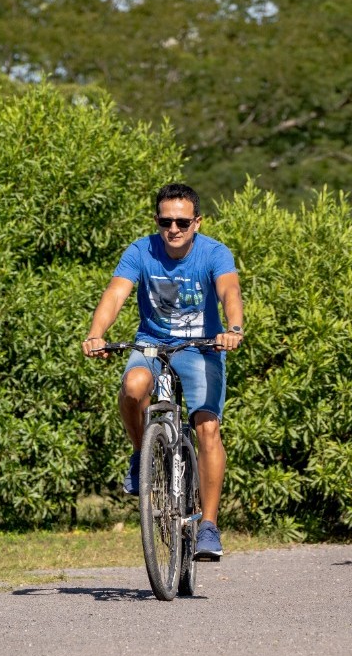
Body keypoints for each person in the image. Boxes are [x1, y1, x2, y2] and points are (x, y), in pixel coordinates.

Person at [82, 183, 244, 561]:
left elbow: (229, 291)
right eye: (166, 221)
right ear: (157, 221)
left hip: (202, 346)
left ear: (197, 222)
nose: (174, 228)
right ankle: (143, 455)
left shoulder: (214, 253)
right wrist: (96, 334)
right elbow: (117, 293)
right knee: (134, 387)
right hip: (151, 344)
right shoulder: (141, 250)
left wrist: (233, 328)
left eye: (182, 222)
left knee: (207, 426)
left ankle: (208, 525)